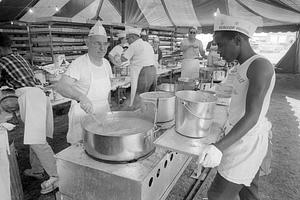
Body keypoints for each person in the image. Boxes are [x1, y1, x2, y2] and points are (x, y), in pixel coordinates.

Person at [198, 14, 275, 200]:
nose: (218, 51)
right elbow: (231, 93)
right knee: (248, 192)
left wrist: (218, 147)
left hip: (245, 144)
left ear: (237, 40)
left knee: (217, 195)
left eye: (221, 44)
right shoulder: (240, 66)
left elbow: (252, 115)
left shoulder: (260, 66)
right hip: (238, 136)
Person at [0, 33, 58, 194]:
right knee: (36, 136)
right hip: (40, 94)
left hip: (29, 97)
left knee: (36, 139)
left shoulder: (2, 61)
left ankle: (57, 175)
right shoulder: (18, 57)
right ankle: (37, 169)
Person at [55, 21, 113, 144]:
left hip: (103, 114)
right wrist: (81, 97)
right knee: (83, 150)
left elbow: (106, 91)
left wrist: (109, 110)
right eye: (97, 44)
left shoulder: (106, 63)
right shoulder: (79, 63)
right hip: (83, 116)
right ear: (88, 43)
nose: (102, 48)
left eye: (104, 44)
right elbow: (61, 86)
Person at [121, 26, 156, 108]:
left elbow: (123, 59)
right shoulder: (147, 44)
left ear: (132, 37)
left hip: (142, 73)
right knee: (148, 95)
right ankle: (149, 109)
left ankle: (136, 111)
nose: (127, 41)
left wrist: (122, 54)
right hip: (152, 72)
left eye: (128, 39)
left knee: (138, 95)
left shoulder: (134, 45)